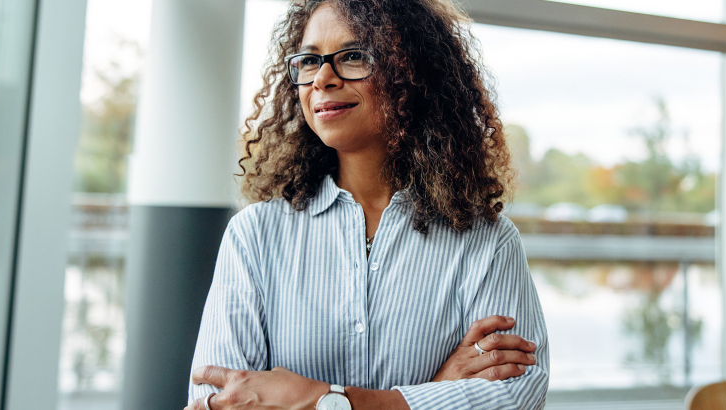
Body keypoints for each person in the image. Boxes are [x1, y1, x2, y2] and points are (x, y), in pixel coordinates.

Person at [185, 0, 549, 408]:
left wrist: (316, 400)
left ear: (412, 72)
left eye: (354, 56)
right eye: (309, 61)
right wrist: (433, 391)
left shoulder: (487, 241)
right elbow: (216, 399)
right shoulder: (254, 234)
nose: (322, 78)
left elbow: (516, 394)